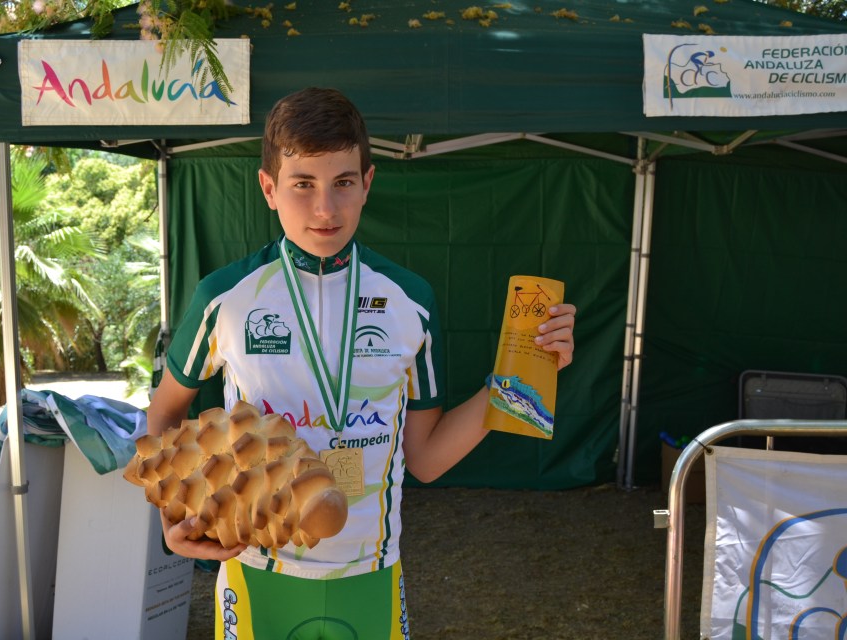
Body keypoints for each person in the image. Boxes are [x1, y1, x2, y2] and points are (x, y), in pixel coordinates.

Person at [146, 87, 576, 639]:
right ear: (269, 188)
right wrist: (172, 511)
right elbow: (164, 412)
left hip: (371, 576)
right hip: (259, 573)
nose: (325, 208)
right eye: (303, 185)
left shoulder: (410, 300)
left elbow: (426, 458)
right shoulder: (224, 296)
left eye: (343, 183)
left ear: (367, 185)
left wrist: (525, 376)